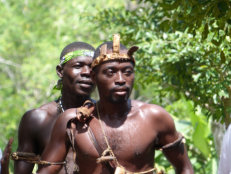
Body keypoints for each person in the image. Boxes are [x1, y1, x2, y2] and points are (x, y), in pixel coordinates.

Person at [37, 34, 194, 174]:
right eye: (110, 72)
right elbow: (47, 170)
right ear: (93, 76)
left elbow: (185, 168)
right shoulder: (73, 121)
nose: (120, 80)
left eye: (127, 72)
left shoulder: (154, 118)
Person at [13, 42, 95, 174]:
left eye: (92, 68)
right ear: (60, 71)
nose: (86, 72)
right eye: (78, 66)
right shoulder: (38, 119)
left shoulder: (104, 117)